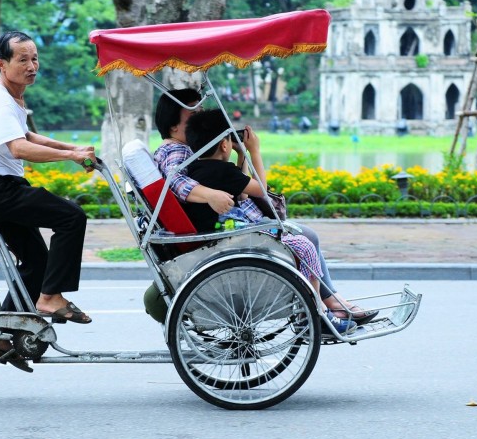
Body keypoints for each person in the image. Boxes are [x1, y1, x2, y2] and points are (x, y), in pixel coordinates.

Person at [152, 89, 378, 327]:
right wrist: (212, 194)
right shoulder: (175, 151)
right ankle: (318, 310)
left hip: (237, 225)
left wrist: (239, 160)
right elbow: (175, 181)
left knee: (307, 235)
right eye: (193, 115)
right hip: (233, 232)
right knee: (305, 239)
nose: (199, 119)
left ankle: (329, 300)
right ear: (174, 127)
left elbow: (236, 187)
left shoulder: (196, 158)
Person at [0, 31, 97, 372]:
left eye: (34, 58)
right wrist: (69, 156)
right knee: (71, 218)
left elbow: (27, 134)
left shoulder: (10, 99)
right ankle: (51, 299)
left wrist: (72, 150)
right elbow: (18, 148)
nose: (31, 65)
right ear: (2, 64)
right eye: (22, 59)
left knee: (37, 262)